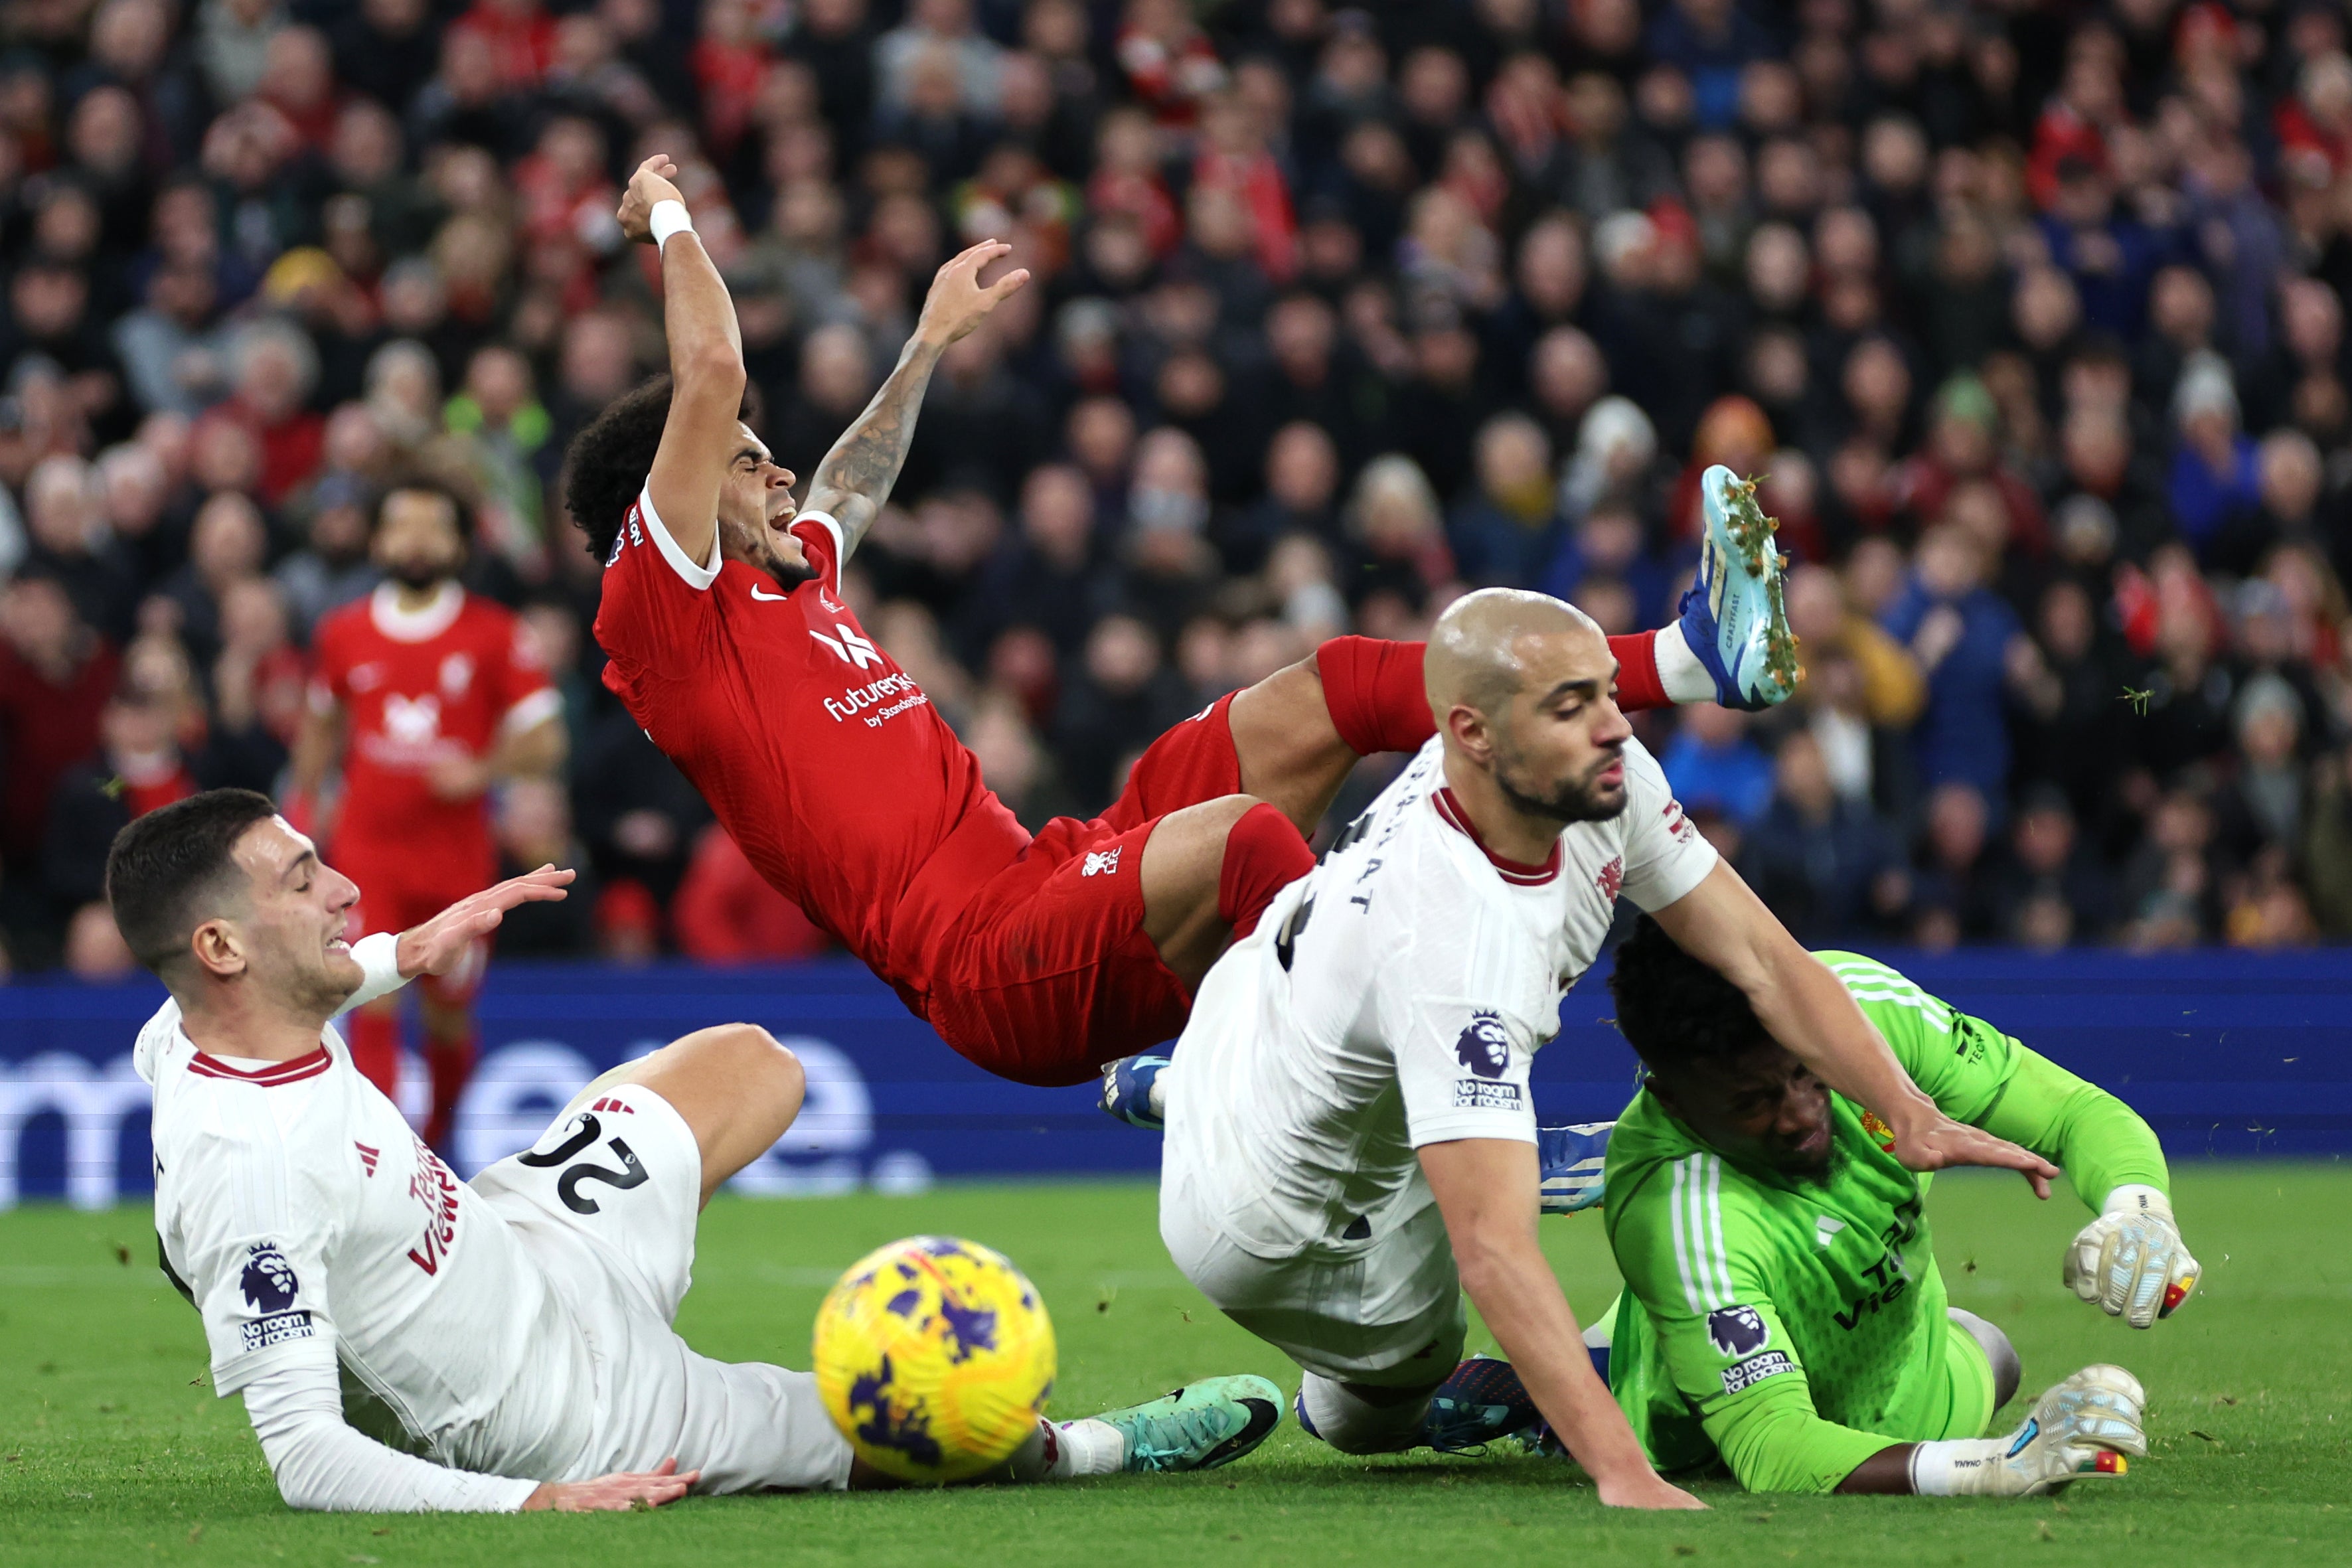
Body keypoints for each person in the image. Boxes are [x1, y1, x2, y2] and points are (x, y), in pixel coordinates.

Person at [567, 153, 1797, 1090]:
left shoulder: (793, 582)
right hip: (987, 960)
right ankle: (1370, 1092)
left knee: (1330, 685)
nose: (777, 476)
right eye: (745, 465)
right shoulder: (666, 618)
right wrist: (666, 216)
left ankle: (1689, 656)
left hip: (1046, 866)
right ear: (662, 501)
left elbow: (846, 482)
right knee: (1245, 837)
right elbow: (712, 375)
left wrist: (926, 345)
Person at [113, 789, 1285, 1513]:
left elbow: (212, 1017)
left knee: (754, 1064)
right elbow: (307, 1457)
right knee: (887, 1430)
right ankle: (1091, 1447)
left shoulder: (184, 1028)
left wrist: (403, 952)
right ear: (219, 941)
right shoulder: (246, 1166)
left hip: (526, 1232)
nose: (347, 886)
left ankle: (635, 1232)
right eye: (303, 879)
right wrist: (535, 1502)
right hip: (572, 1407)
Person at [1142, 589, 2057, 1509]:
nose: (1613, 726)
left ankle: (1194, 1091)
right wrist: (1622, 1470)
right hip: (1286, 1219)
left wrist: (1906, 1109)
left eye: (1607, 692)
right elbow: (1493, 1252)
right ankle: (1274, 1133)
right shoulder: (1453, 949)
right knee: (1370, 1414)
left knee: (1399, 1081)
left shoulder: (1586, 779)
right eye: (1570, 706)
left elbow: (1766, 962)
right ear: (1472, 735)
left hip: (1258, 1000)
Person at [1589, 917, 2190, 1495]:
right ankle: (1587, 1367)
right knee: (1688, 1303)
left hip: (1900, 1385)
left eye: (1807, 1069)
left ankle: (1606, 1337)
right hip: (1706, 1439)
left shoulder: (1857, 1008)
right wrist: (1992, 1466)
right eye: (1753, 1100)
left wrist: (2138, 1209)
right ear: (1671, 1098)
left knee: (1996, 1353)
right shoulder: (1676, 1210)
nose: (1801, 1112)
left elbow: (2072, 1112)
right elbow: (1770, 1443)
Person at [290, 480, 566, 1147]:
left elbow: (547, 738)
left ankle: (436, 1135)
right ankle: (388, 1162)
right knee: (371, 997)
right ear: (379, 540)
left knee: (447, 1013)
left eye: (432, 526)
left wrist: (482, 769)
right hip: (367, 854)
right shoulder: (343, 632)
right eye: (401, 525)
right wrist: (302, 814)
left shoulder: (495, 633)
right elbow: (320, 727)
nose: (416, 539)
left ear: (457, 544)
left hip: (456, 862)